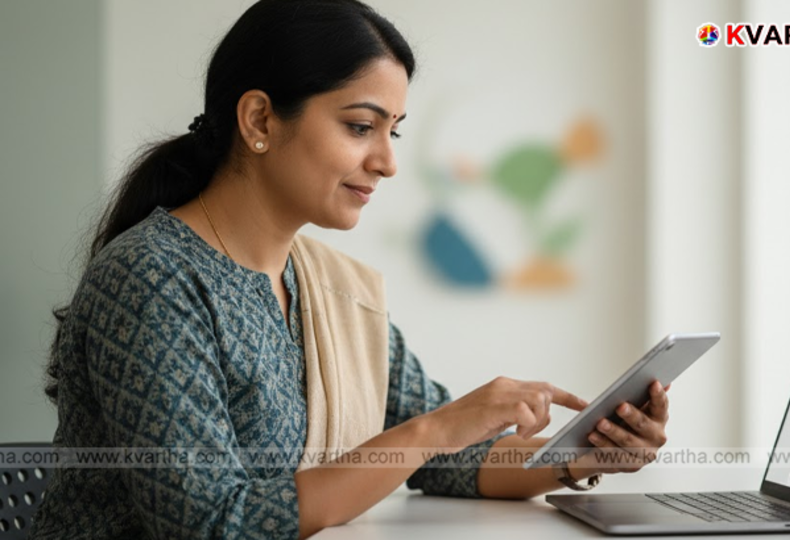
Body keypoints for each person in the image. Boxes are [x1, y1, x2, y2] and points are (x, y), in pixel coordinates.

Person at [29, 1, 670, 538]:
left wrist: (584, 456)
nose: (387, 162)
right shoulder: (155, 280)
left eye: (395, 131)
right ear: (258, 120)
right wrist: (431, 431)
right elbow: (212, 524)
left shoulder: (329, 287)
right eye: (361, 126)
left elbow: (449, 460)